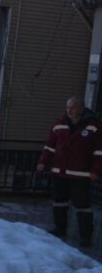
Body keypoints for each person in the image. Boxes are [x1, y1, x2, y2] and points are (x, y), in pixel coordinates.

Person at [37, 95, 102, 247]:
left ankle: (86, 236)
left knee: (83, 206)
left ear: (81, 108)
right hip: (60, 172)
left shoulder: (93, 126)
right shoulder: (59, 125)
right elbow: (50, 147)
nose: (69, 110)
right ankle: (60, 228)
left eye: (73, 107)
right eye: (67, 107)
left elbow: (99, 152)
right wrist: (42, 162)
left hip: (81, 174)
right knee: (59, 202)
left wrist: (95, 170)